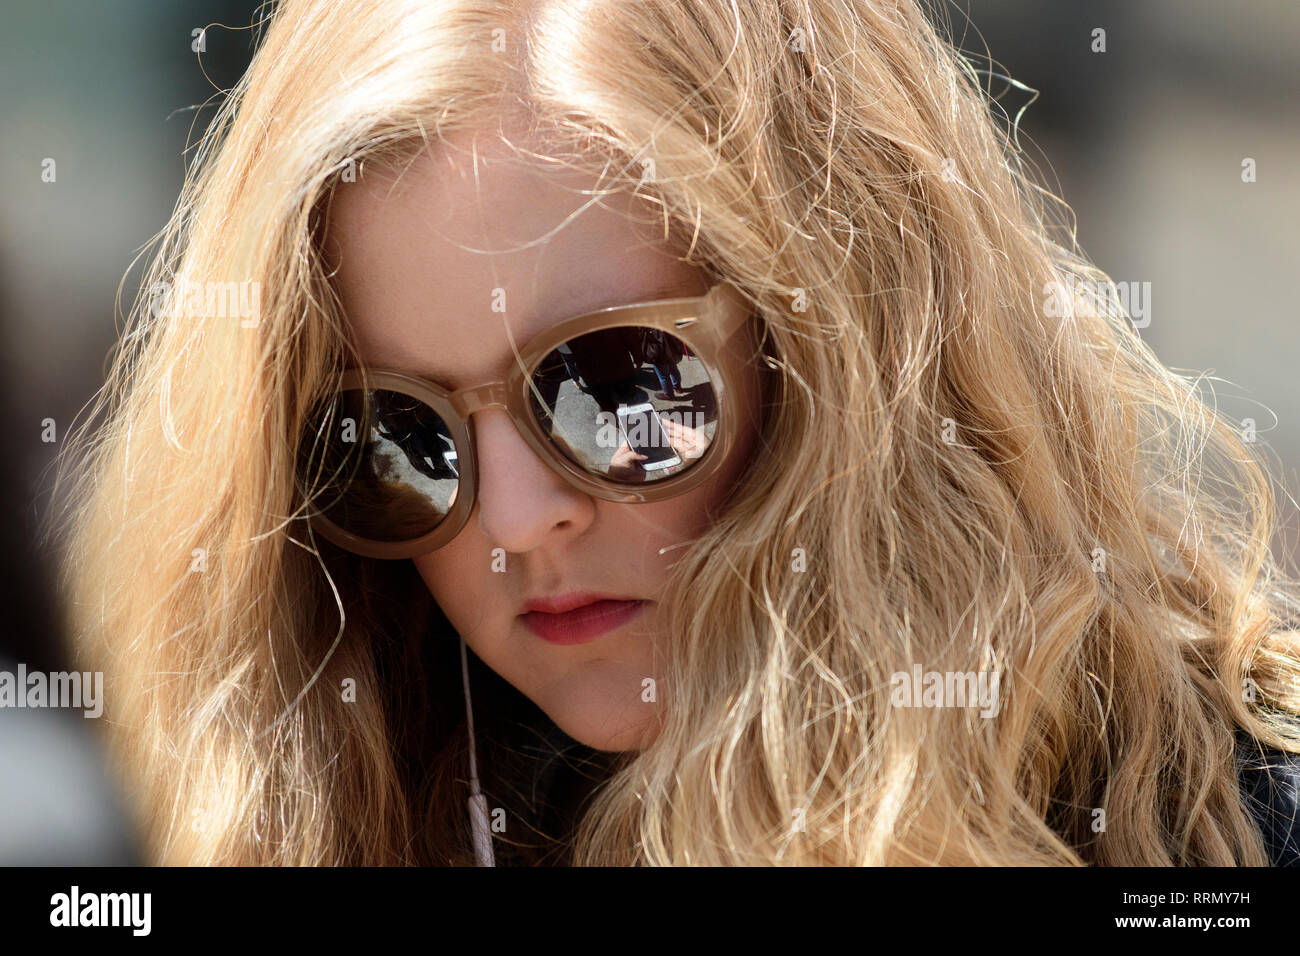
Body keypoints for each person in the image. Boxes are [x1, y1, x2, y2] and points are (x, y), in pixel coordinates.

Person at [51, 0, 1300, 866]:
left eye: (612, 383)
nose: (515, 515)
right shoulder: (320, 805)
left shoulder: (1234, 824)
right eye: (392, 437)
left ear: (837, 352)